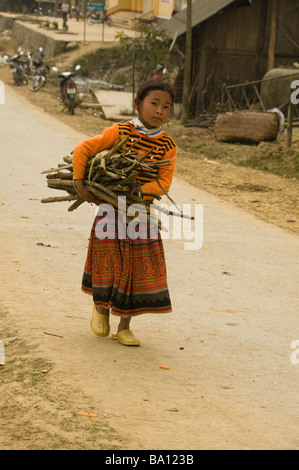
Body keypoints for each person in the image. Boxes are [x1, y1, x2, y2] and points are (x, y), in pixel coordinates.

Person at [72, 80, 177, 347]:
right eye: (154, 103)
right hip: (110, 211)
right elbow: (84, 149)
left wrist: (137, 196)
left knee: (135, 269)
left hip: (140, 214)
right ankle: (101, 309)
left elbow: (164, 181)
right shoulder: (119, 131)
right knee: (109, 262)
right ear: (137, 104)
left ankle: (124, 327)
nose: (159, 111)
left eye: (166, 106)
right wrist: (79, 182)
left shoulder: (167, 145)